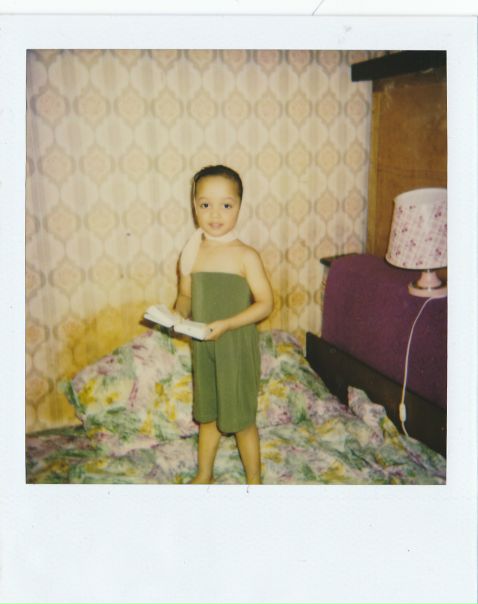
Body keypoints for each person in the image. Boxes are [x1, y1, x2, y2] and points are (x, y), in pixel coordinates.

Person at [174, 165, 273, 485]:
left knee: (241, 419)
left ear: (239, 206)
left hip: (235, 347)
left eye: (226, 205)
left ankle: (254, 482)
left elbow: (265, 304)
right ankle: (204, 473)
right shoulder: (191, 252)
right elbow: (185, 297)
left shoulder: (246, 256)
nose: (215, 214)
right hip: (205, 346)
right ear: (194, 206)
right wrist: (175, 316)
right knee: (209, 415)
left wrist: (228, 324)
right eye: (205, 204)